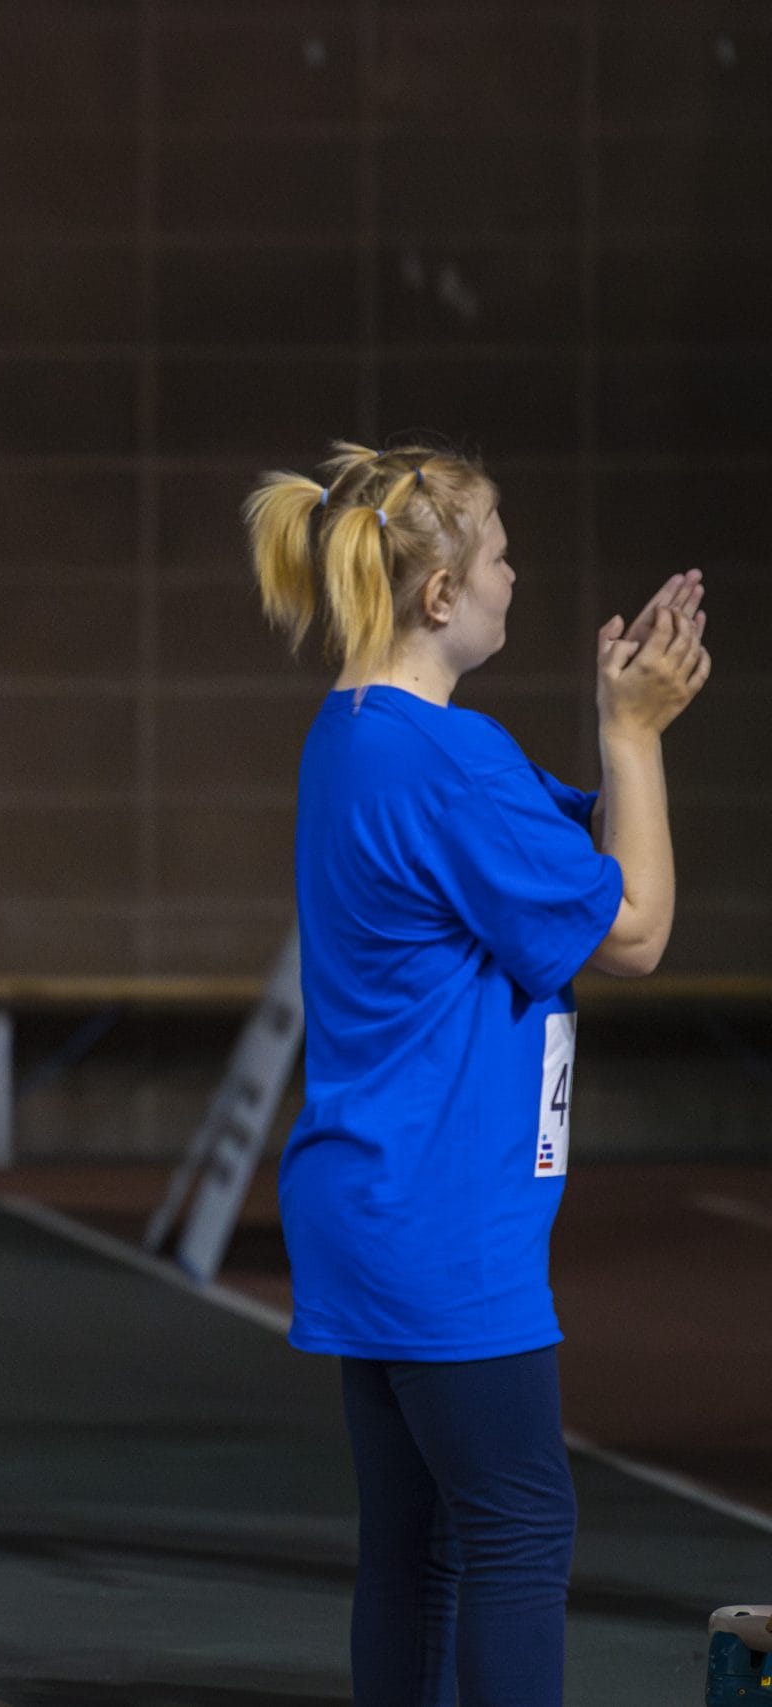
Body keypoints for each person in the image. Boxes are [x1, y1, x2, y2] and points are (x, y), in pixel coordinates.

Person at [245, 442, 712, 1707]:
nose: (517, 573)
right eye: (500, 551)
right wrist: (636, 732)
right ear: (441, 593)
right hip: (442, 1222)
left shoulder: (356, 736)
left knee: (420, 1545)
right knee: (516, 1531)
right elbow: (637, 930)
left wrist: (622, 741)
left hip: (369, 1202)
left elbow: (583, 857)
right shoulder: (450, 765)